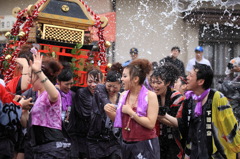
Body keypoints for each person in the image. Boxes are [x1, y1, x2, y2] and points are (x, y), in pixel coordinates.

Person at [161, 63, 240, 158]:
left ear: (200, 81)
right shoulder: (189, 100)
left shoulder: (217, 98)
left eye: (190, 75)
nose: (187, 78)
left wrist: (237, 149)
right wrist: (163, 115)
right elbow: (185, 127)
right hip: (195, 153)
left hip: (216, 155)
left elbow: (230, 127)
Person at [105, 59, 160, 159]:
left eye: (125, 76)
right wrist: (109, 112)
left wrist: (131, 112)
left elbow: (150, 123)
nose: (121, 79)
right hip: (126, 143)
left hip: (145, 143)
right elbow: (121, 122)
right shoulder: (123, 95)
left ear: (135, 79)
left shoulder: (150, 96)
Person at [27, 51, 70, 158]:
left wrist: (38, 72)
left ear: (40, 78)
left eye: (32, 76)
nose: (29, 80)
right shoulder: (38, 95)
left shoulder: (49, 92)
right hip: (40, 148)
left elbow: (55, 96)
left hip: (52, 148)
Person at [87, 63, 123, 159]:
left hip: (114, 141)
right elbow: (100, 91)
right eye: (109, 86)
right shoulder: (100, 91)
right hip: (96, 139)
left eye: (115, 87)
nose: (111, 89)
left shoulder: (122, 97)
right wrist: (107, 104)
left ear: (120, 85)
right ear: (105, 83)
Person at [150, 63, 185, 159]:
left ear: (168, 83)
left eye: (158, 83)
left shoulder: (177, 97)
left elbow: (178, 124)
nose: (154, 86)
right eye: (152, 82)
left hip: (173, 141)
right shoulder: (152, 96)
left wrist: (158, 115)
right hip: (156, 140)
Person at [68, 68, 103, 159]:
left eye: (96, 82)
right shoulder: (82, 93)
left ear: (103, 81)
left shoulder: (102, 94)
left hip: (95, 138)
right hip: (81, 137)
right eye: (90, 81)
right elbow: (88, 115)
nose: (93, 85)